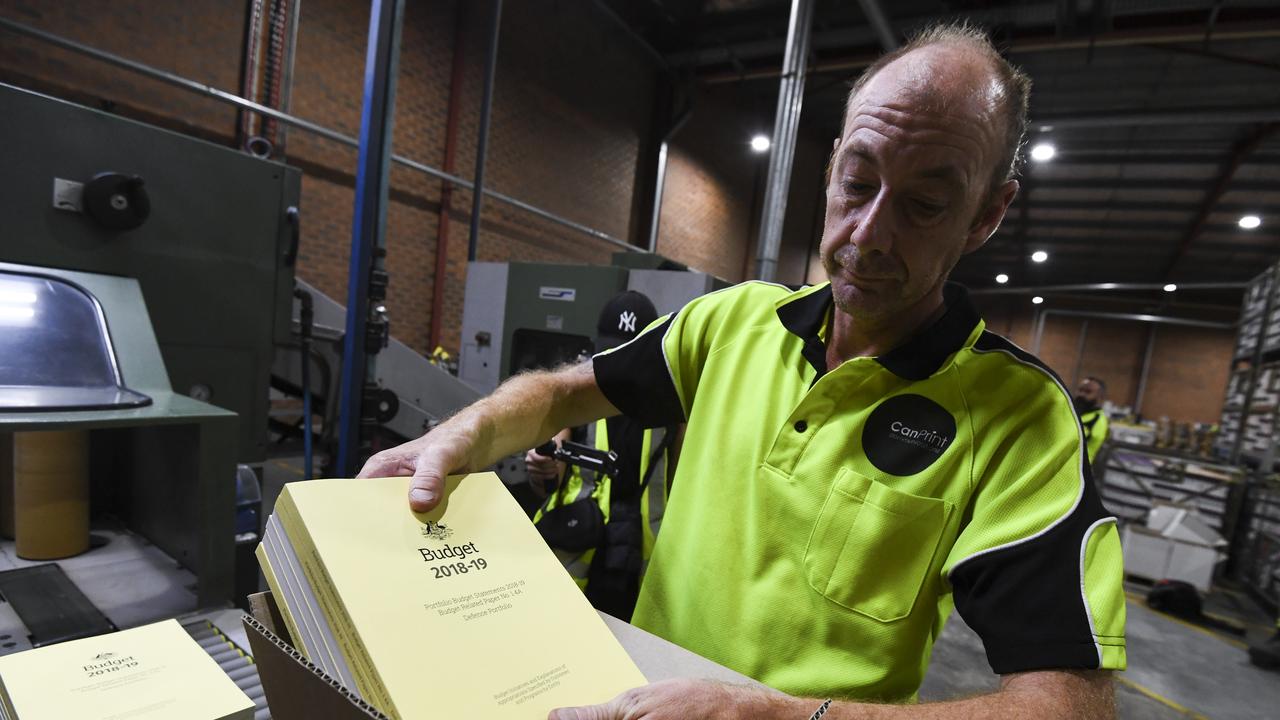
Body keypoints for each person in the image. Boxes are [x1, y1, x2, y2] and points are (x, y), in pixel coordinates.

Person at [359, 23, 1125, 719]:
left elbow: (1069, 706)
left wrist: (784, 718)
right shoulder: (733, 323)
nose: (870, 233)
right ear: (829, 169)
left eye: (925, 204)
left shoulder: (1019, 418)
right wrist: (460, 436)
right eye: (858, 184)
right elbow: (565, 391)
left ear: (987, 216)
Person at [525, 291, 678, 621]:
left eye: (629, 350)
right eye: (611, 348)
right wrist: (542, 467)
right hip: (579, 555)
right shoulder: (573, 398)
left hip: (641, 566)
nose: (618, 358)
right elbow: (547, 480)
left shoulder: (670, 408)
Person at [1075, 376, 1109, 464]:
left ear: (1100, 397)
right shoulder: (1077, 413)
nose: (1081, 394)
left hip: (1075, 471)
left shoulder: (1097, 420)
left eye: (1088, 392)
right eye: (1080, 390)